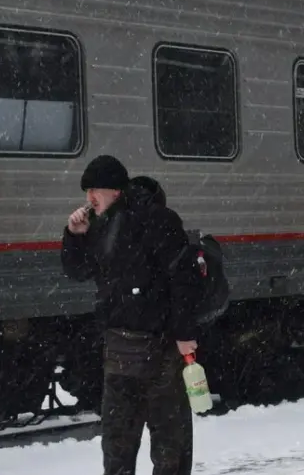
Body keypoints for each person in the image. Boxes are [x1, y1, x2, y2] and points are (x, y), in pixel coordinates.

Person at [61, 155, 200, 475]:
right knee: (118, 443)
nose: (89, 197)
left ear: (115, 191)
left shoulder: (157, 220)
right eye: (86, 191)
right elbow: (78, 271)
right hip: (119, 349)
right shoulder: (98, 226)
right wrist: (74, 236)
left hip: (161, 347)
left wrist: (184, 334)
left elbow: (183, 280)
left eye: (95, 189)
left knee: (168, 442)